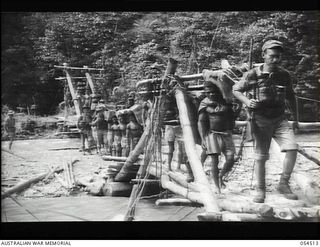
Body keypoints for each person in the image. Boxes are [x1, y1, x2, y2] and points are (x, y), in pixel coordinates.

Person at [233, 39, 299, 203]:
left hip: (280, 119)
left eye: (278, 57)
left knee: (292, 148)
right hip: (260, 120)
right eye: (272, 56)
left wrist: (296, 118)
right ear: (264, 55)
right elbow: (236, 89)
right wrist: (247, 102)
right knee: (261, 157)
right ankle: (260, 189)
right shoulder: (252, 74)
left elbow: (291, 96)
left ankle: (283, 184)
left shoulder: (284, 75)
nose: (275, 60)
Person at [198, 81, 236, 194]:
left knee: (230, 159)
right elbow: (200, 122)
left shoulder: (226, 101)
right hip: (212, 134)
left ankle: (221, 176)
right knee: (214, 160)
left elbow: (232, 116)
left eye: (213, 92)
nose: (211, 95)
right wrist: (203, 138)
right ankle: (216, 187)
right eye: (208, 92)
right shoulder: (205, 103)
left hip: (226, 134)